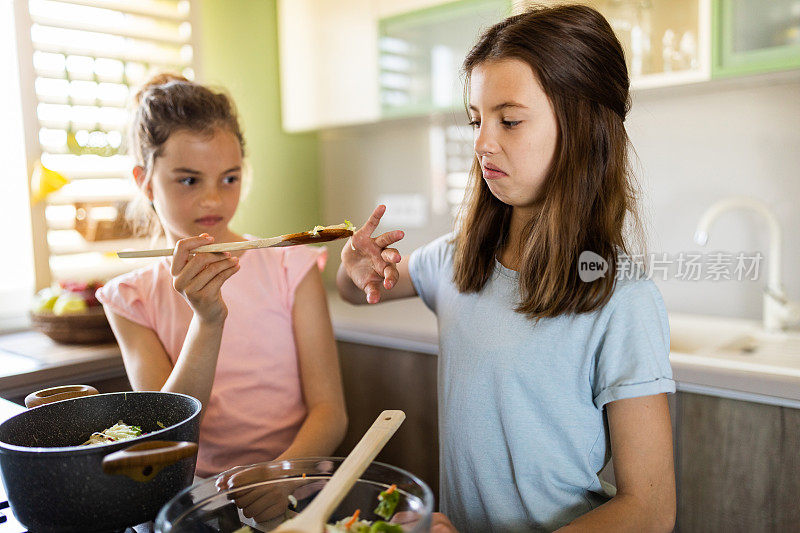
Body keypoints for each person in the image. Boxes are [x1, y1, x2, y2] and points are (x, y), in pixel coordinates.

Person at [337, 5, 676, 532]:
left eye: (509, 121)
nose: (481, 143)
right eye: (477, 120)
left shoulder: (620, 297)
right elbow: (361, 292)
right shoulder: (458, 258)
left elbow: (651, 510)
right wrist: (355, 269)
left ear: (582, 127)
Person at [97, 74, 347, 482]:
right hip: (192, 497)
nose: (213, 199)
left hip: (293, 484)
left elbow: (330, 413)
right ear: (144, 181)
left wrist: (278, 473)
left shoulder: (290, 267)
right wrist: (207, 320)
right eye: (189, 180)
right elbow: (165, 430)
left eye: (229, 178)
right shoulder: (131, 298)